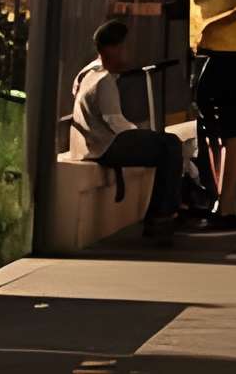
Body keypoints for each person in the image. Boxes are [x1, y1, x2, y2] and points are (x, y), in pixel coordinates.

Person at [108, 0, 236, 230]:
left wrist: (210, 25)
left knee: (228, 129)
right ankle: (217, 197)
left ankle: (227, 202)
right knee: (207, 126)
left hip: (227, 54)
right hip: (201, 55)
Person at [68, 19, 184, 245]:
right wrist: (141, 132)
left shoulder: (88, 73)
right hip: (103, 146)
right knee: (170, 145)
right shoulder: (104, 81)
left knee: (164, 143)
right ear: (113, 49)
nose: (128, 52)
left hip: (87, 143)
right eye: (124, 46)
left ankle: (163, 213)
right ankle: (162, 217)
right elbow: (116, 124)